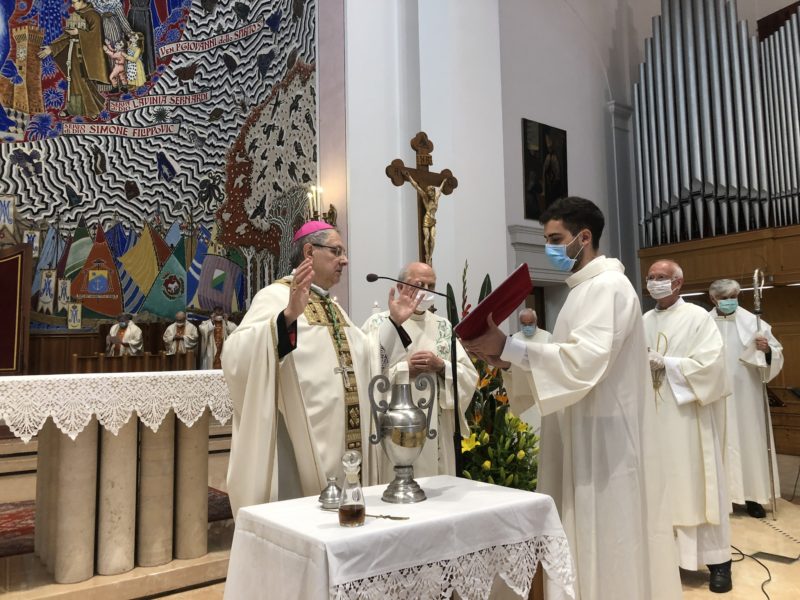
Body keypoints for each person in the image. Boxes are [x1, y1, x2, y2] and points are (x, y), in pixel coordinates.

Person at [461, 197, 681, 600]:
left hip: (606, 441)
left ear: (584, 237)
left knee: (608, 536)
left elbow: (583, 361)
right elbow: (562, 358)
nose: (549, 248)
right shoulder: (582, 290)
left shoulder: (609, 287)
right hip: (580, 430)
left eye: (555, 239)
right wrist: (505, 359)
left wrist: (508, 347)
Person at [222, 222, 421, 516]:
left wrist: (393, 323)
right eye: (336, 251)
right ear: (309, 252)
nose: (345, 260)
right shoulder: (275, 296)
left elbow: (366, 355)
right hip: (299, 442)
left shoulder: (333, 307)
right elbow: (235, 354)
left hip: (346, 433)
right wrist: (287, 317)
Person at [644, 261, 733, 593]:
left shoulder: (698, 318)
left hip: (688, 419)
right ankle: (666, 561)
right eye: (650, 278)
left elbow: (713, 366)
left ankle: (719, 563)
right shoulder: (643, 321)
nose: (654, 282)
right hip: (652, 420)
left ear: (678, 282)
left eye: (661, 278)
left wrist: (666, 363)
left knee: (696, 485)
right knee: (659, 489)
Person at [362, 261, 478, 478]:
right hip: (392, 423)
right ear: (400, 287)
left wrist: (441, 366)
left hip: (436, 425)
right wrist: (405, 369)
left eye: (431, 286)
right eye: (418, 284)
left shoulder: (443, 326)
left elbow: (469, 375)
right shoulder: (378, 324)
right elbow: (364, 372)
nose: (426, 291)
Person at [709, 278, 784, 519]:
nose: (730, 301)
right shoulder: (703, 323)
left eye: (734, 297)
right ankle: (720, 498)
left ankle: (753, 497)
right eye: (724, 298)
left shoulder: (754, 322)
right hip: (714, 395)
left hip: (746, 396)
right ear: (713, 299)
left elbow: (776, 352)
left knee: (750, 441)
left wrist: (767, 350)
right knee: (716, 442)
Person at [38, 0, 109, 117]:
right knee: (74, 82)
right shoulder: (76, 15)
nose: (72, 5)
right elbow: (67, 36)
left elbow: (96, 37)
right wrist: (52, 48)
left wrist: (79, 32)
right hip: (73, 55)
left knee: (83, 82)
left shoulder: (94, 16)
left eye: (74, 2)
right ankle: (74, 108)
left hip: (86, 57)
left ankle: (92, 110)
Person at [508, 309, 552, 433]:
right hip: (522, 391)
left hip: (541, 391)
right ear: (520, 323)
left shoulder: (547, 337)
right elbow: (510, 365)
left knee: (543, 429)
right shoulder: (515, 339)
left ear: (536, 321)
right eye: (524, 324)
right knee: (525, 429)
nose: (527, 327)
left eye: (530, 323)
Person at [404, 171, 446, 265]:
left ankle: (430, 256)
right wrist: (409, 177)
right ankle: (427, 256)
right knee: (427, 238)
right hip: (426, 220)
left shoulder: (436, 199)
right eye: (428, 192)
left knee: (433, 238)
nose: (430, 193)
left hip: (433, 221)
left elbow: (440, 189)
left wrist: (444, 181)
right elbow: (417, 187)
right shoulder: (425, 198)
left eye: (431, 191)